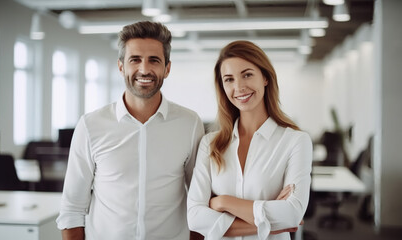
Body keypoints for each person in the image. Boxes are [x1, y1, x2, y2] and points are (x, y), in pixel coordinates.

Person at [56, 21, 205, 240]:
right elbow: (72, 209)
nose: (144, 69)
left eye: (154, 60)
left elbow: (198, 202)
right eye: (135, 60)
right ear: (121, 66)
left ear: (167, 68)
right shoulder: (90, 125)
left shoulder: (190, 124)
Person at [187, 40, 312, 240]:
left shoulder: (295, 141)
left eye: (247, 74)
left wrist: (222, 202)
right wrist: (271, 223)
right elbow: (195, 217)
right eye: (229, 79)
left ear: (265, 77)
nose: (239, 87)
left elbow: (292, 214)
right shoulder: (210, 144)